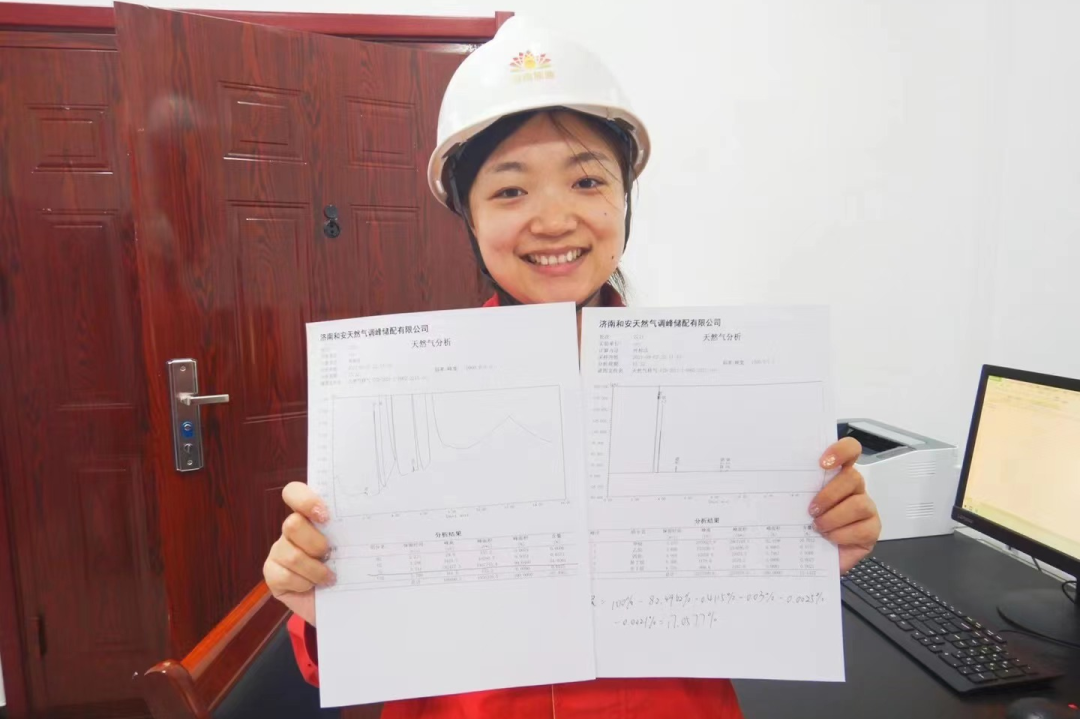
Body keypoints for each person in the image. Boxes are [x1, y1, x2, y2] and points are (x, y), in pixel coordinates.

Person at [263, 17, 881, 719]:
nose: (554, 220)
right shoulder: (396, 395)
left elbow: (747, 612)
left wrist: (810, 553)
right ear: (468, 216)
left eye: (587, 180)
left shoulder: (715, 388)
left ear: (625, 197)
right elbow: (353, 657)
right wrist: (324, 600)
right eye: (510, 190)